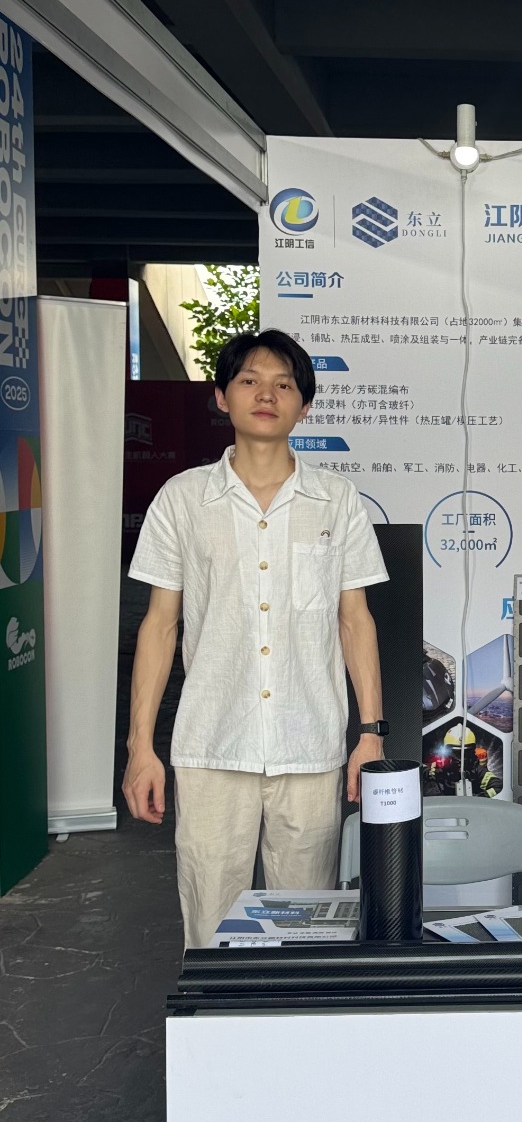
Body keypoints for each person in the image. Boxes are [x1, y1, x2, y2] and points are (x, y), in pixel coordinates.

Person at [123, 329, 390, 948]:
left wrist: (370, 733)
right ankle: (217, 1016)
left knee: (310, 934)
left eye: (283, 384)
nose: (266, 395)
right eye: (249, 381)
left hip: (310, 748)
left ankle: (297, 1016)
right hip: (212, 746)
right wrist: (141, 747)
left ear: (305, 406)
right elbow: (159, 624)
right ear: (222, 397)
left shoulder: (337, 501)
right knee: (211, 929)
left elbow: (356, 620)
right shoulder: (183, 499)